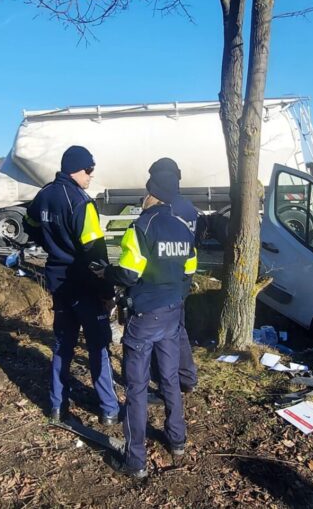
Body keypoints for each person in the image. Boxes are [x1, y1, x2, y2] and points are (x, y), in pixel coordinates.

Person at [102, 163, 196, 478]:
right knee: (169, 379)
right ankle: (177, 440)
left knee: (137, 387)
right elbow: (189, 273)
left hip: (144, 318)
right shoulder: (183, 228)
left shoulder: (141, 227)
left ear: (151, 192)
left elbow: (129, 272)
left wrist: (107, 273)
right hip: (173, 315)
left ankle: (136, 460)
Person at [23, 146, 119, 426]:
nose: (91, 175)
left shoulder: (44, 195)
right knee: (98, 347)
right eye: (89, 170)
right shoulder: (81, 202)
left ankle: (56, 406)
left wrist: (50, 245)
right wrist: (107, 292)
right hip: (84, 285)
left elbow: (29, 225)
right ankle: (110, 410)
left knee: (62, 345)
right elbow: (95, 252)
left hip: (58, 281)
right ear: (76, 169)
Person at [146, 158, 200, 394]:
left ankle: (167, 379)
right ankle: (186, 377)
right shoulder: (188, 208)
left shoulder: (162, 208)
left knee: (164, 334)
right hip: (182, 277)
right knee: (178, 328)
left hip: (159, 280)